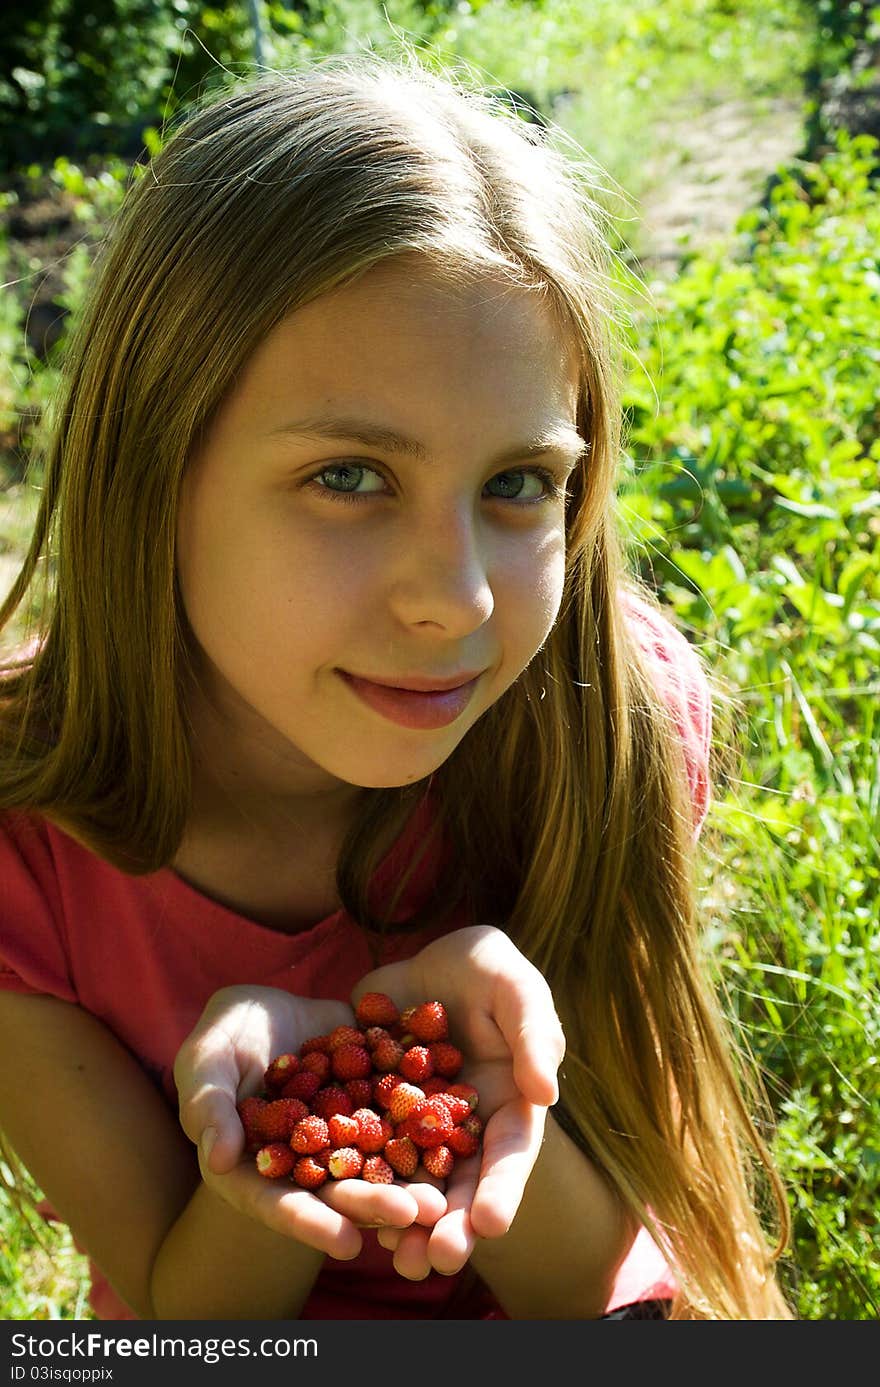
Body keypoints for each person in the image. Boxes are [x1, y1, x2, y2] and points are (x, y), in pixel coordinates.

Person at [0, 51, 793, 1321]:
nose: (461, 601)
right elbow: (174, 1318)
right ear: (150, 471)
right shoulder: (22, 840)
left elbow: (610, 1293)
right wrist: (277, 1134)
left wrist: (488, 1102)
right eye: (352, 476)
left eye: (518, 483)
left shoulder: (608, 717)